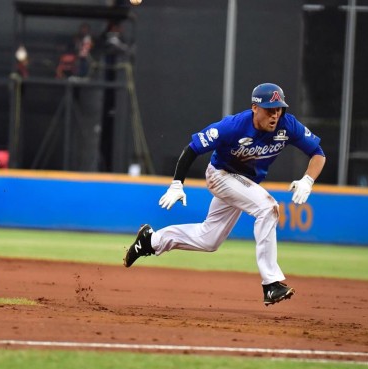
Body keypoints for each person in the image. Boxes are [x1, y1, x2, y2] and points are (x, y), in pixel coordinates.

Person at [123, 83, 326, 306]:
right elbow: (192, 149)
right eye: (270, 109)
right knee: (268, 208)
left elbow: (317, 153)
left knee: (209, 240)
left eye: (279, 109)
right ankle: (271, 284)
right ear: (254, 108)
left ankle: (150, 240)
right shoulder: (233, 126)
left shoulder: (287, 125)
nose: (275, 115)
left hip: (242, 184)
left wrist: (308, 179)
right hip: (220, 175)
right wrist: (177, 184)